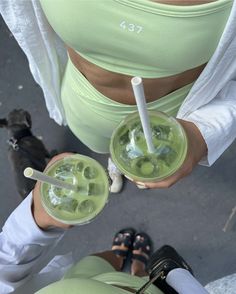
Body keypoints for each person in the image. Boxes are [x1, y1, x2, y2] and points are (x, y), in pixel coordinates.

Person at [1, 0, 236, 192]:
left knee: (142, 162)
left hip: (172, 117)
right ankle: (115, 163)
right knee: (102, 146)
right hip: (83, 104)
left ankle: (120, 165)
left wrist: (201, 134)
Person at [0, 154, 210, 294]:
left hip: (73, 285)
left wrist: (35, 223)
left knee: (93, 264)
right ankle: (138, 270)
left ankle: (119, 257)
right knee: (145, 280)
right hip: (142, 291)